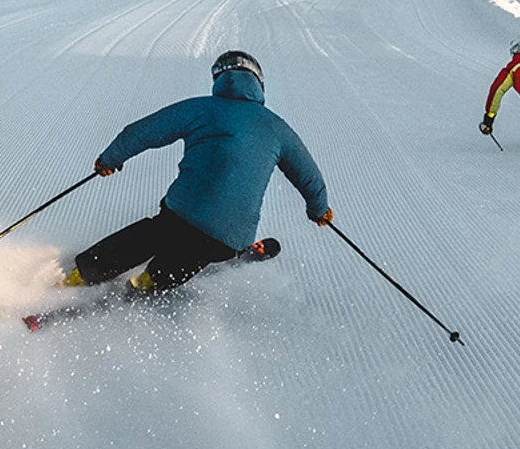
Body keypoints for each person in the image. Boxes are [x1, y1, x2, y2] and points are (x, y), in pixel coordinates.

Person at [62, 50, 332, 295]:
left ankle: (77, 277)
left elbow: (141, 132)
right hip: (227, 240)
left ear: (219, 80)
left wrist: (110, 159)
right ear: (259, 83)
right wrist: (319, 211)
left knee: (150, 236)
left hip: (179, 217)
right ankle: (146, 285)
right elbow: (309, 177)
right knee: (191, 256)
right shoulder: (278, 128)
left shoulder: (200, 108)